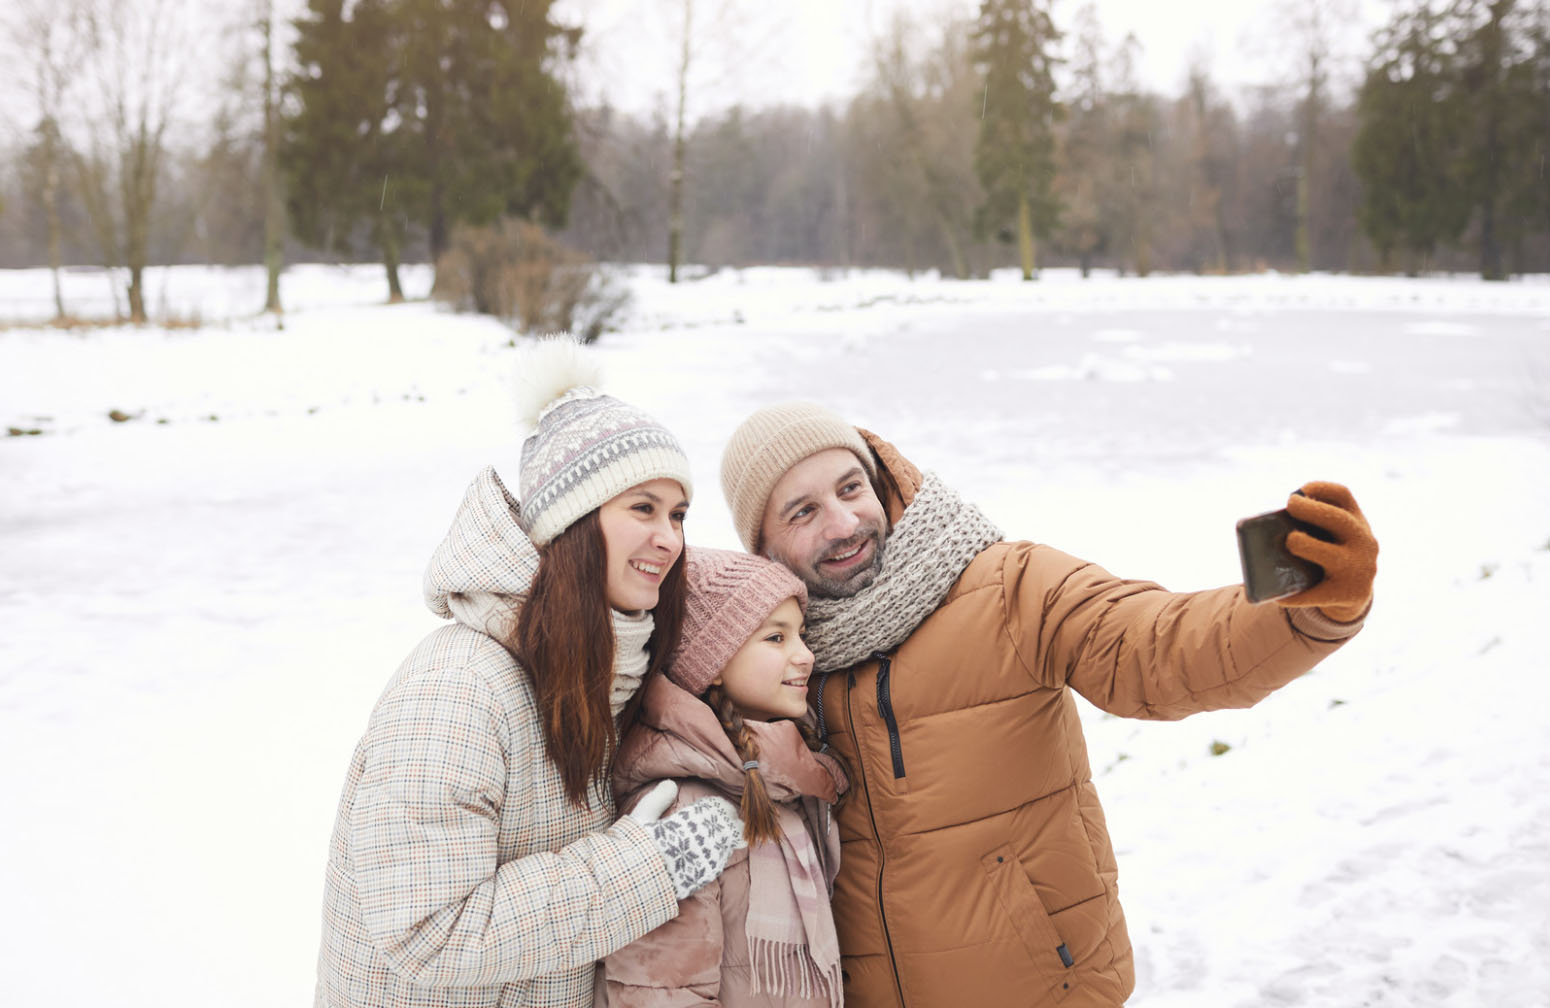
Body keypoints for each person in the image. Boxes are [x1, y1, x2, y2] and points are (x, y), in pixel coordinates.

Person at [718, 403, 1380, 1008]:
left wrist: (1312, 609)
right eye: (802, 512)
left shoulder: (1010, 587)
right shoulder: (774, 659)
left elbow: (1158, 646)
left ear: (882, 482)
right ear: (764, 546)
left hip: (1042, 988)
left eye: (850, 488)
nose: (842, 524)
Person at [315, 341, 745, 1008]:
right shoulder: (458, 686)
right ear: (574, 522)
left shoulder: (605, 675)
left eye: (678, 514)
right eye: (643, 508)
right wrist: (645, 868)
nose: (670, 538)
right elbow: (426, 930)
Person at [605, 547, 849, 1008]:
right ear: (712, 665)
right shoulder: (684, 809)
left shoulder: (790, 789)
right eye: (776, 639)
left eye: (801, 635)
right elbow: (660, 993)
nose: (805, 656)